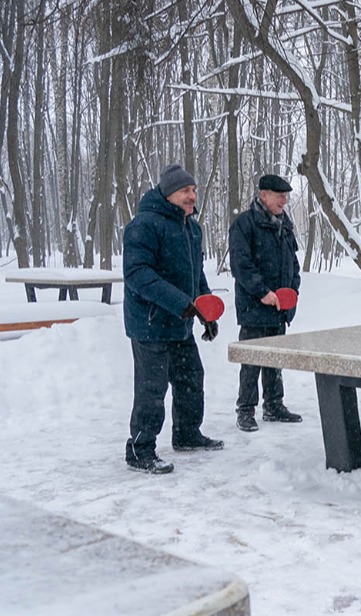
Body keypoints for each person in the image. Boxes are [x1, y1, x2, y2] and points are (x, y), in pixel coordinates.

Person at [123, 164, 224, 474]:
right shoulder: (144, 224)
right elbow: (137, 274)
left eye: (193, 190)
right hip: (150, 323)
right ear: (168, 194)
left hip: (181, 323)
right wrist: (182, 303)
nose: (192, 196)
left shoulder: (192, 228)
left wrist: (206, 312)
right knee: (152, 390)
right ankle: (140, 450)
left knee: (191, 379)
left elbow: (196, 275)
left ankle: (187, 434)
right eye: (185, 191)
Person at [230, 173, 303, 432]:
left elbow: (293, 264)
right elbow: (241, 265)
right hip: (254, 307)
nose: (284, 200)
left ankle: (273, 405)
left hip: (279, 308)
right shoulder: (244, 224)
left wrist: (292, 291)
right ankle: (245, 410)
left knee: (275, 358)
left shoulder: (286, 225)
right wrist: (262, 292)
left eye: (286, 196)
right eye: (280, 195)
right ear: (264, 195)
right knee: (252, 360)